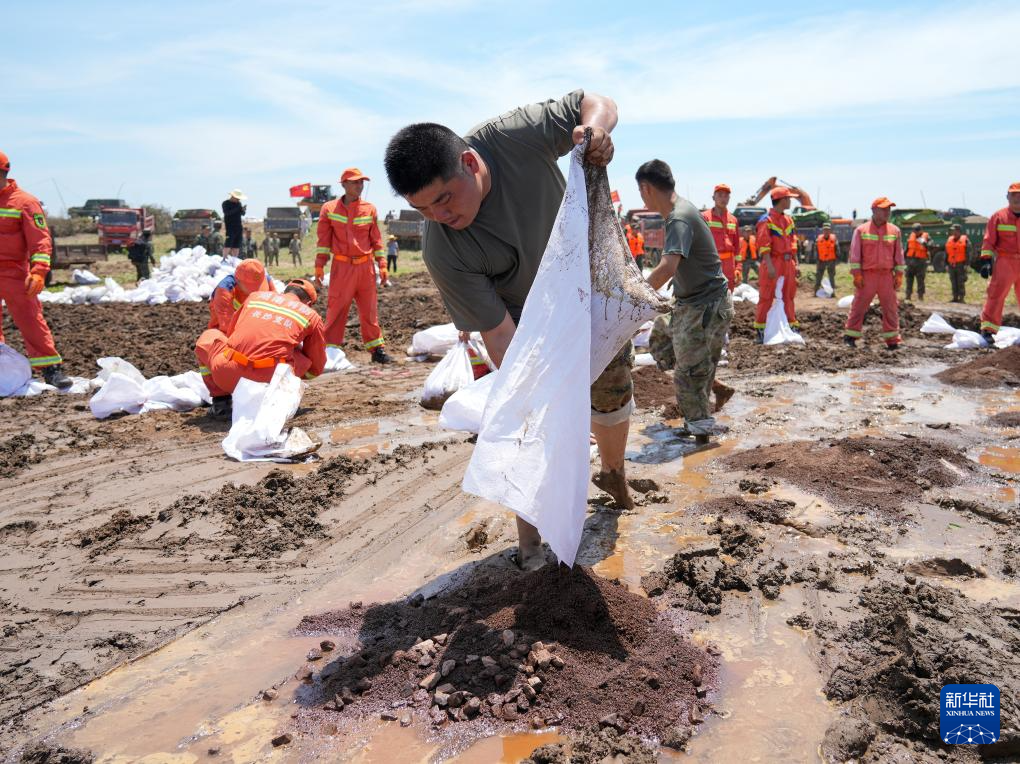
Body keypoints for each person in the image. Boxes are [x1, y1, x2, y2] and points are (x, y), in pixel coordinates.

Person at [384, 89, 633, 570]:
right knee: (527, 415)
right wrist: (539, 398)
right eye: (424, 210)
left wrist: (596, 129)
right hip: (528, 320)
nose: (440, 216)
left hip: (586, 282)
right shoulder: (444, 250)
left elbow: (594, 101)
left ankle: (614, 472)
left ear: (471, 163)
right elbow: (500, 336)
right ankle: (532, 550)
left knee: (611, 387)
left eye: (444, 199)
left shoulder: (512, 138)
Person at [638, 160, 733, 446]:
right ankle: (713, 386)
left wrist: (635, 295)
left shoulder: (679, 217)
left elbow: (667, 266)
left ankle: (701, 436)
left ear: (645, 189)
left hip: (705, 307)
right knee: (661, 337)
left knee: (687, 376)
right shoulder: (682, 211)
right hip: (693, 303)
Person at [195, 278, 325, 419]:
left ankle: (221, 404)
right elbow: (316, 365)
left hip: (228, 375)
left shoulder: (255, 297)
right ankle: (279, 397)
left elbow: (232, 334)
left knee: (208, 337)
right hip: (270, 380)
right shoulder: (311, 315)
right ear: (308, 303)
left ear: (283, 292)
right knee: (300, 356)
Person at [0, 150, 71, 389]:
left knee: (30, 319)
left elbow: (40, 240)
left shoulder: (25, 202)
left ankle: (51, 368)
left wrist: (39, 271)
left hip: (14, 273)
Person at [315, 168, 393, 363]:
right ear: (344, 184)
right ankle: (330, 352)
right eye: (355, 182)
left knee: (369, 311)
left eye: (361, 182)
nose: (360, 186)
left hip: (365, 268)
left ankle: (377, 351)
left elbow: (376, 240)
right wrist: (319, 266)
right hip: (342, 267)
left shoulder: (370, 209)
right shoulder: (329, 209)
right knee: (336, 310)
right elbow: (323, 241)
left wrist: (382, 265)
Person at [844, 197, 904, 349]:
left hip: (886, 276)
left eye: (889, 209)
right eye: (884, 209)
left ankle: (892, 340)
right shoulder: (861, 230)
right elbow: (855, 255)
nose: (887, 212)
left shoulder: (894, 230)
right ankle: (850, 336)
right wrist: (857, 274)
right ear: (874, 210)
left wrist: (899, 274)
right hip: (867, 276)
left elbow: (899, 255)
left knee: (891, 308)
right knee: (859, 306)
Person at [754, 187, 800, 342]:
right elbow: (763, 245)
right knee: (766, 296)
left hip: (788, 262)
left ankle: (791, 326)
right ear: (782, 200)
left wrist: (796, 263)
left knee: (789, 296)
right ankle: (761, 330)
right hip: (773, 261)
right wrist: (770, 266)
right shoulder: (766, 220)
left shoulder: (788, 219)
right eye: (789, 198)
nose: (791, 201)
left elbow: (794, 243)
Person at [978, 182, 1020, 343]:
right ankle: (988, 330)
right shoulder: (998, 217)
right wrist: (986, 261)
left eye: (1019, 195)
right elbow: (988, 241)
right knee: (995, 295)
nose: (1017, 199)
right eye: (1013, 195)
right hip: (1005, 261)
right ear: (1007, 197)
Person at [207, 258, 272, 331]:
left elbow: (276, 309)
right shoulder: (224, 291)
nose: (256, 291)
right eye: (252, 287)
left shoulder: (266, 280)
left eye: (258, 286)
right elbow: (227, 325)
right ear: (238, 280)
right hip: (226, 319)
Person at [701, 183, 741, 291]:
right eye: (720, 195)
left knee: (728, 295)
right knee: (710, 296)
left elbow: (737, 248)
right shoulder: (705, 217)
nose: (723, 198)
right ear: (713, 197)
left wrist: (738, 268)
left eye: (726, 195)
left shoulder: (733, 220)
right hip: (711, 264)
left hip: (729, 266)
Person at [904, 223, 931, 301]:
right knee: (909, 278)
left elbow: (931, 246)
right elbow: (907, 249)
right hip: (910, 260)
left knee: (920, 279)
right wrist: (904, 259)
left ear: (921, 230)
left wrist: (925, 243)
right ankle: (908, 295)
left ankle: (920, 296)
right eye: (914, 230)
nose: (915, 232)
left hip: (921, 261)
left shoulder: (926, 237)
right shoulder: (911, 236)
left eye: (917, 231)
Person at [945, 224, 970, 303]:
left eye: (955, 231)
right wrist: (946, 264)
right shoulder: (949, 240)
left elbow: (968, 253)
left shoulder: (965, 240)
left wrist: (967, 264)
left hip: (961, 264)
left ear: (959, 231)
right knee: (953, 281)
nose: (953, 232)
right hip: (951, 264)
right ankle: (955, 297)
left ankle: (961, 298)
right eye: (953, 231)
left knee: (960, 281)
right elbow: (947, 253)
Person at [814, 222, 839, 296]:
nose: (826, 231)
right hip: (821, 260)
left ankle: (832, 292)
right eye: (825, 230)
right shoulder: (818, 239)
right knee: (818, 276)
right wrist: (817, 259)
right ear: (823, 230)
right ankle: (816, 292)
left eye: (827, 230)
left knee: (831, 276)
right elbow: (816, 250)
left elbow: (837, 249)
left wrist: (837, 259)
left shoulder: (834, 239)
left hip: (831, 260)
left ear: (830, 230)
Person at [221, 190, 246, 258]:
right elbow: (227, 213)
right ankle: (224, 258)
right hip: (230, 227)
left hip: (238, 227)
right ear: (233, 196)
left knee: (236, 245)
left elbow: (242, 214)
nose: (238, 200)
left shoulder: (238, 204)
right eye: (237, 198)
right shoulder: (225, 203)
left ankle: (235, 259)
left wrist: (243, 210)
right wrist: (238, 208)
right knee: (228, 243)